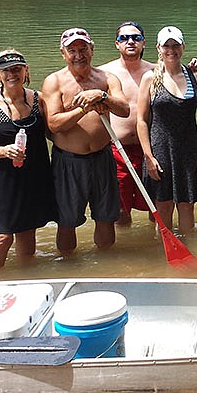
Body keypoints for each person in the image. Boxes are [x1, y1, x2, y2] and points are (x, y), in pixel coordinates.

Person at [0, 50, 56, 270]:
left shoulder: (38, 99)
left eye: (17, 69)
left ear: (26, 70)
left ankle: (26, 281)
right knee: (0, 239)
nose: (12, 74)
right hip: (1, 181)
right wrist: (4, 151)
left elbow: (54, 132)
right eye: (6, 71)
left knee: (27, 233)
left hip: (34, 176)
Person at [41, 27, 130, 254]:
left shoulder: (107, 79)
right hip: (68, 162)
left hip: (103, 157)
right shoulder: (54, 82)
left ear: (92, 49)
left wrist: (102, 96)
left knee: (107, 216)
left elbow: (124, 110)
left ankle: (106, 264)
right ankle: (68, 266)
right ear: (63, 53)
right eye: (72, 50)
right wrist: (84, 108)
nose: (78, 54)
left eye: (83, 48)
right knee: (67, 219)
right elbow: (54, 124)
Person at [136, 26, 197, 235]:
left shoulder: (196, 77)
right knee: (164, 205)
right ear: (158, 48)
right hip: (160, 151)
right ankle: (165, 249)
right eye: (166, 45)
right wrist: (148, 157)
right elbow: (141, 120)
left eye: (175, 45)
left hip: (188, 150)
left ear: (183, 47)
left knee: (187, 205)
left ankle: (188, 248)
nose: (171, 50)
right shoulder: (150, 78)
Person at [98, 22, 154, 226]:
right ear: (116, 44)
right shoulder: (103, 73)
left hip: (150, 147)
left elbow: (180, 78)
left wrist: (193, 68)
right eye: (124, 38)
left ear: (143, 42)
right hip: (116, 149)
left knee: (155, 203)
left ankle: (155, 244)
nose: (130, 41)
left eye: (136, 38)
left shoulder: (157, 71)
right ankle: (124, 252)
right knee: (120, 210)